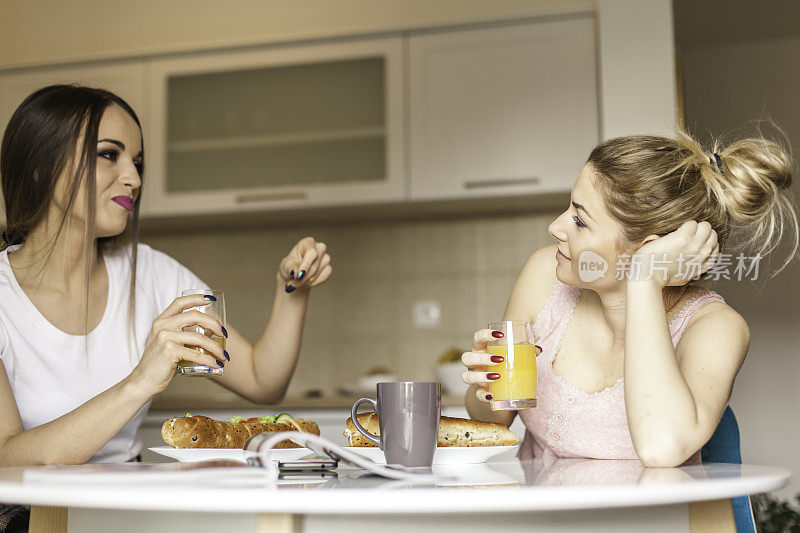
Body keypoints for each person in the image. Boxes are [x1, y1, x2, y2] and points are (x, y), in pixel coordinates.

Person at [0, 85, 332, 468]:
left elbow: (262, 381)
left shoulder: (153, 273)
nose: (134, 179)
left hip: (127, 509)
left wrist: (292, 291)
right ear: (41, 166)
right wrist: (141, 381)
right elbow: (7, 460)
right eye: (110, 155)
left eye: (137, 163)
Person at [462, 131, 798, 468]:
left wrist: (644, 279)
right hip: (544, 516)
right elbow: (493, 424)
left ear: (648, 247)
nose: (555, 227)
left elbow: (661, 448)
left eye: (580, 220)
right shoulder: (543, 274)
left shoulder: (716, 328)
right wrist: (486, 388)